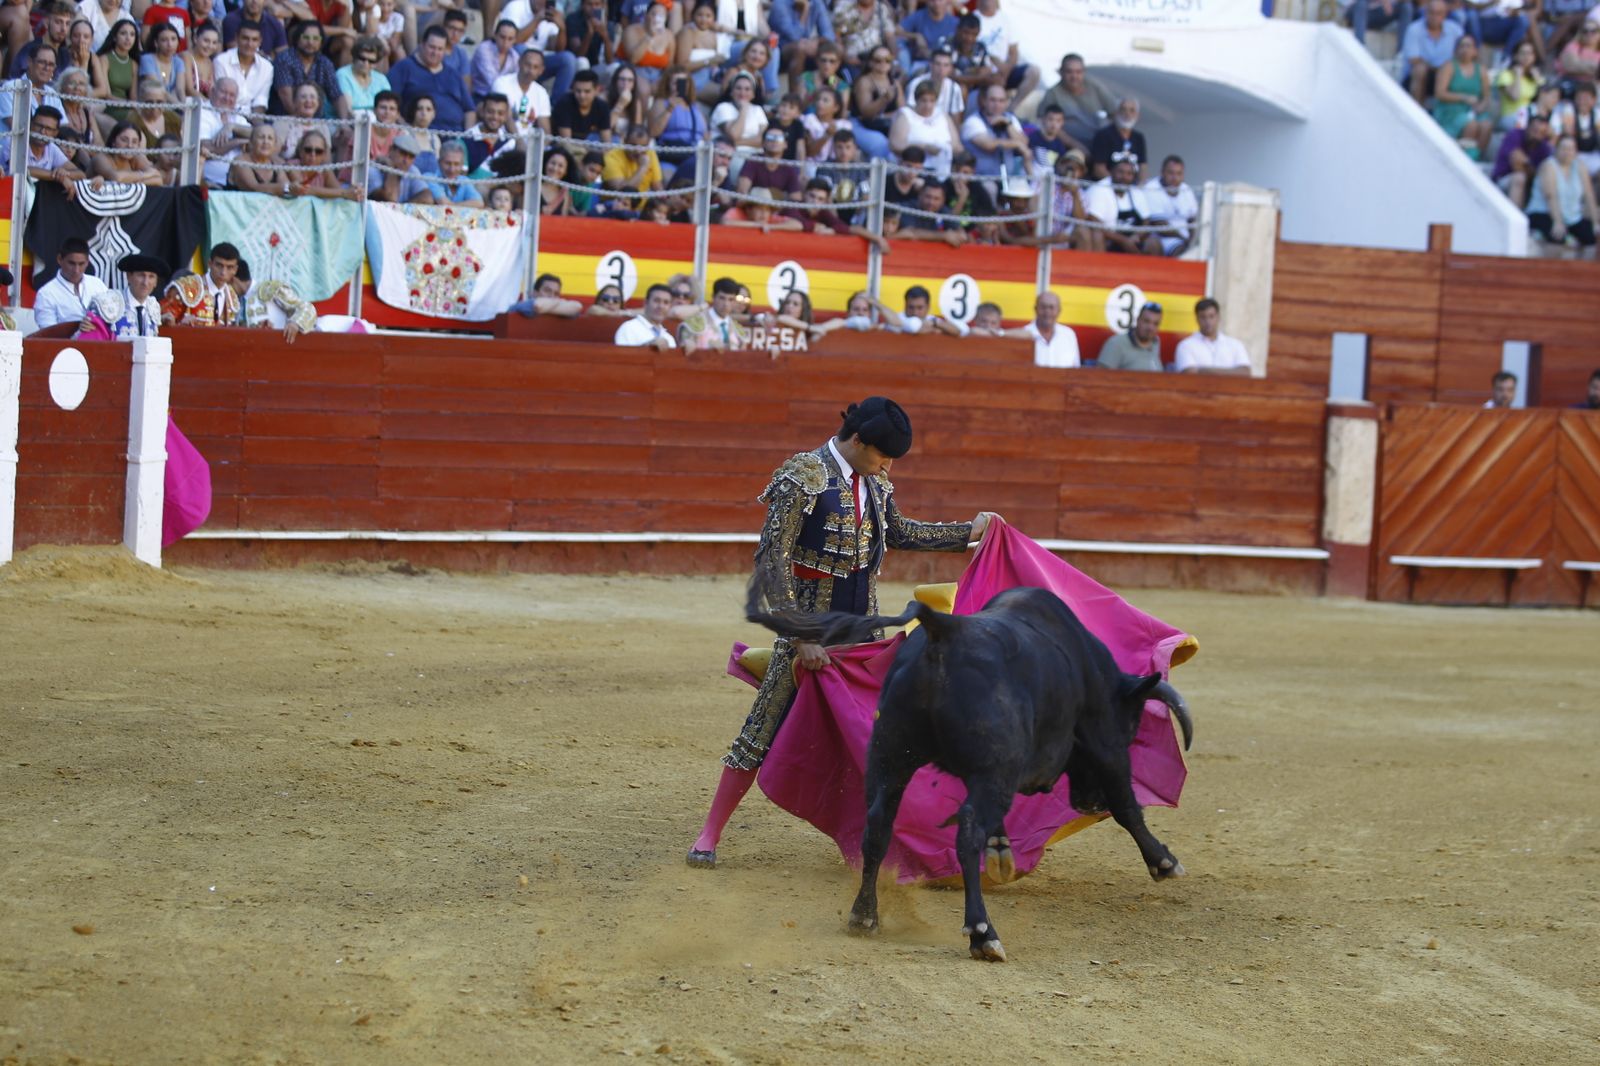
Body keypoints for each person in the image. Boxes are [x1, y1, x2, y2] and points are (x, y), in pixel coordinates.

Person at [686, 396, 997, 868]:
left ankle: (872, 844)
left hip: (863, 628)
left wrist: (967, 533)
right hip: (808, 627)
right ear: (857, 440)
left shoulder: (876, 481)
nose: (887, 465)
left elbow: (899, 531)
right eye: (882, 455)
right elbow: (772, 563)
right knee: (763, 725)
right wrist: (802, 636)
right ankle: (708, 835)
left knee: (871, 737)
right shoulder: (803, 475)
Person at [388, 25, 473, 131]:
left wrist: (467, 135)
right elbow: (390, 104)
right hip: (419, 135)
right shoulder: (403, 68)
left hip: (455, 136)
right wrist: (406, 128)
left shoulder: (453, 74)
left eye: (440, 49)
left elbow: (469, 110)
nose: (435, 53)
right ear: (422, 45)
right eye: (432, 47)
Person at [1527, 132, 1600, 248]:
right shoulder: (1549, 166)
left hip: (1571, 216)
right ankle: (1538, 232)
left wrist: (1596, 223)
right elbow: (1551, 196)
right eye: (1564, 148)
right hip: (1545, 213)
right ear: (1556, 149)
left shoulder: (1580, 166)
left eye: (1571, 149)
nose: (1568, 152)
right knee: (1559, 237)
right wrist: (1558, 222)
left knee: (1591, 238)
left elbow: (1589, 194)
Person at [76, 252, 166, 340]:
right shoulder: (105, 304)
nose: (145, 283)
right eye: (141, 275)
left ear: (156, 282)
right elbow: (90, 344)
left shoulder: (153, 307)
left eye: (151, 277)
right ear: (129, 276)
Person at [1432, 34, 1492, 160]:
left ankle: (1476, 157)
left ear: (1475, 51)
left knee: (1486, 125)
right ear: (1456, 50)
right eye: (1462, 46)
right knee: (1471, 124)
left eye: (1469, 46)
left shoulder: (1481, 70)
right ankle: (1463, 158)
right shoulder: (1448, 67)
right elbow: (1440, 93)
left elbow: (1486, 97)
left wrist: (1481, 107)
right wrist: (1463, 97)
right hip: (1450, 109)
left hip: (1472, 110)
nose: (1465, 49)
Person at [229, 258, 315, 343]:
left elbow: (306, 308)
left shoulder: (270, 289)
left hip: (280, 349)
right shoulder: (235, 301)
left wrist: (295, 323)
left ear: (233, 279)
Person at [32, 237, 109, 329]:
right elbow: (48, 333)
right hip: (66, 343)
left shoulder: (97, 285)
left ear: (88, 262)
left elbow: (112, 319)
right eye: (71, 263)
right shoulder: (46, 294)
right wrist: (76, 330)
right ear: (60, 259)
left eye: (81, 264)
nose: (76, 270)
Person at [160, 242, 242, 327]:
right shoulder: (186, 287)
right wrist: (179, 325)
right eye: (219, 265)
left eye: (229, 267)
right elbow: (161, 322)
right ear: (210, 264)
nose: (223, 272)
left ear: (235, 270)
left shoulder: (231, 296)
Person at [1401, 0, 1464, 107]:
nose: (1434, 16)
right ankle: (1416, 109)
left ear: (1445, 14)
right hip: (1418, 76)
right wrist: (1440, 69)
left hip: (1445, 75)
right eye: (1431, 12)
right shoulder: (1414, 29)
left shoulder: (1455, 30)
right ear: (1425, 12)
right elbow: (1414, 59)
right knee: (1420, 69)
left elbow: (1462, 54)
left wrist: (1445, 70)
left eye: (1439, 13)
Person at [1174, 298, 1252, 376]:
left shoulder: (1235, 344)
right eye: (1203, 317)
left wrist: (1203, 370)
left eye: (1211, 316)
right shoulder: (1186, 345)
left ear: (1218, 317)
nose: (1208, 321)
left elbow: (1245, 372)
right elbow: (1189, 373)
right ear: (1197, 318)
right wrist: (1231, 372)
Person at [676, 276, 752, 352]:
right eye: (722, 298)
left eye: (730, 299)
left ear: (735, 301)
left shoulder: (738, 331)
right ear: (713, 297)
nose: (726, 304)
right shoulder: (695, 323)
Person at [1143, 154, 1199, 257]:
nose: (1175, 178)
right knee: (1182, 252)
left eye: (1179, 174)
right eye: (1171, 173)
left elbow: (1192, 220)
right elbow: (1159, 224)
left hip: (1183, 239)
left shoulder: (1186, 190)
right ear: (1162, 173)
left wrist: (1191, 241)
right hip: (1161, 238)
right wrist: (1184, 240)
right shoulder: (1151, 188)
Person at [214, 22, 273, 114]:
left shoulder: (267, 67)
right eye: (245, 38)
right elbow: (221, 100)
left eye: (254, 40)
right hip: (222, 114)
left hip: (251, 119)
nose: (249, 44)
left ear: (260, 41)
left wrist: (257, 125)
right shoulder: (222, 61)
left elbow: (260, 102)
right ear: (236, 38)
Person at [492, 47, 552, 135]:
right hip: (503, 139)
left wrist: (541, 146)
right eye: (527, 65)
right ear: (519, 63)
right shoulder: (502, 83)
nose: (530, 71)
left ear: (541, 71)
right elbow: (507, 119)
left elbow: (545, 129)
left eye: (535, 67)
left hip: (528, 142)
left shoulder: (541, 93)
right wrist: (519, 142)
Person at [1014, 290, 1078, 368]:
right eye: (1043, 307)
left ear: (1059, 311)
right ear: (1035, 309)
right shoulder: (1022, 335)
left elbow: (1075, 369)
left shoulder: (1069, 335)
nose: (1047, 311)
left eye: (1051, 307)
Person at [1089, 96, 1147, 181]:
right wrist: (1117, 186)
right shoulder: (1103, 135)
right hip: (1107, 188)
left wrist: (1140, 187)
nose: (1127, 114)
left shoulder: (1139, 138)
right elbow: (1098, 169)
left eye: (1132, 110)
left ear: (1137, 115)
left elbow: (1143, 167)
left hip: (1130, 189)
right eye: (1123, 109)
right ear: (1116, 113)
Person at [366, 132, 434, 203]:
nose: (406, 160)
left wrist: (403, 208)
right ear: (391, 150)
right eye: (403, 154)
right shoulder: (373, 170)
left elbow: (427, 198)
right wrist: (391, 170)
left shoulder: (412, 170)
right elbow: (390, 199)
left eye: (411, 157)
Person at [1096, 301, 1163, 371]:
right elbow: (1100, 377)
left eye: (1156, 324)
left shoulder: (1155, 343)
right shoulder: (1116, 344)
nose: (1150, 328)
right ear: (1138, 320)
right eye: (1146, 321)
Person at [552, 67, 612, 142]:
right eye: (578, 91)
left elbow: (606, 142)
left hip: (587, 147)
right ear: (573, 89)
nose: (582, 96)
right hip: (560, 148)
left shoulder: (602, 107)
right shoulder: (564, 104)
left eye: (587, 91)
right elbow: (566, 142)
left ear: (597, 90)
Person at [614, 283, 677, 348]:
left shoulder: (670, 339)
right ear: (646, 303)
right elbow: (622, 356)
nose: (661, 306)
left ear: (670, 307)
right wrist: (648, 346)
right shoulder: (628, 328)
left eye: (666, 302)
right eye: (657, 301)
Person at [507, 272, 583, 317]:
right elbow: (539, 306)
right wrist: (559, 303)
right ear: (535, 293)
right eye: (547, 291)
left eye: (556, 293)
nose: (551, 296)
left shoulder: (554, 304)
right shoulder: (522, 305)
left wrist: (550, 305)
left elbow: (577, 306)